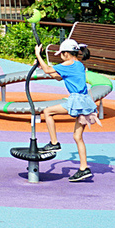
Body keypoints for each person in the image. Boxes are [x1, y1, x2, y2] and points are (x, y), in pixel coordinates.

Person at [34, 38, 102, 183]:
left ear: (66, 54)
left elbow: (48, 70)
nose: (60, 57)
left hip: (77, 100)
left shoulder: (67, 63)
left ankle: (54, 143)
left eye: (61, 54)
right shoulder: (78, 64)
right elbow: (58, 77)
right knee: (77, 137)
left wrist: (38, 55)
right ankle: (84, 168)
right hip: (86, 101)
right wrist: (41, 66)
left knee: (47, 112)